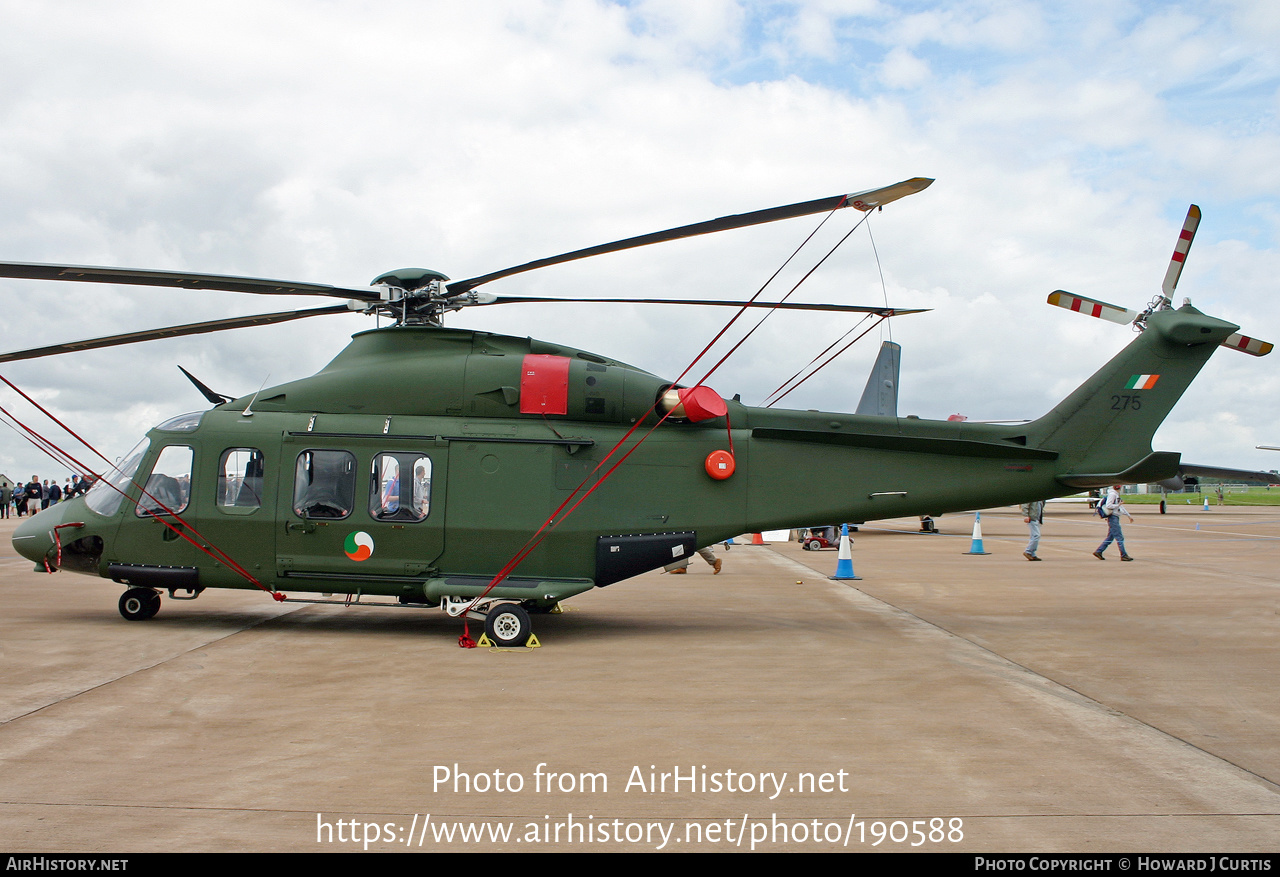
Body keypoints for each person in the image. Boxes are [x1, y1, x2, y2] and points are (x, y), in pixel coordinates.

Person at [1094, 484, 1135, 561]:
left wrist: (1128, 515)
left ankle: (1099, 551)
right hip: (1113, 517)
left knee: (1110, 537)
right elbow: (1109, 505)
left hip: (1115, 517)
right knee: (1119, 537)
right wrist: (1118, 504)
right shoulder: (1113, 494)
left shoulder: (1115, 494)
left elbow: (1120, 507)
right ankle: (1123, 555)